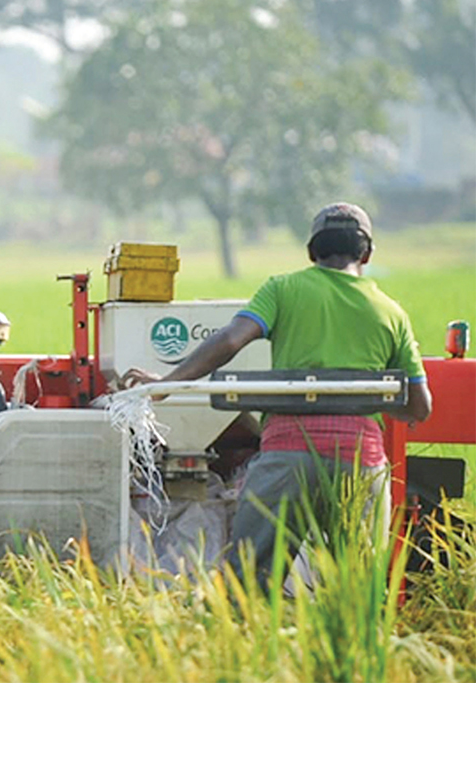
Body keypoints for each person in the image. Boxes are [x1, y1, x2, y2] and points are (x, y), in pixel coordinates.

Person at [122, 203, 431, 589]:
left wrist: (169, 383)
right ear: (367, 254)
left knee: (250, 582)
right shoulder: (391, 313)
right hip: (359, 463)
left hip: (287, 457)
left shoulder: (283, 289)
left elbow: (232, 339)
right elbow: (421, 407)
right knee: (358, 590)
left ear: (311, 252)